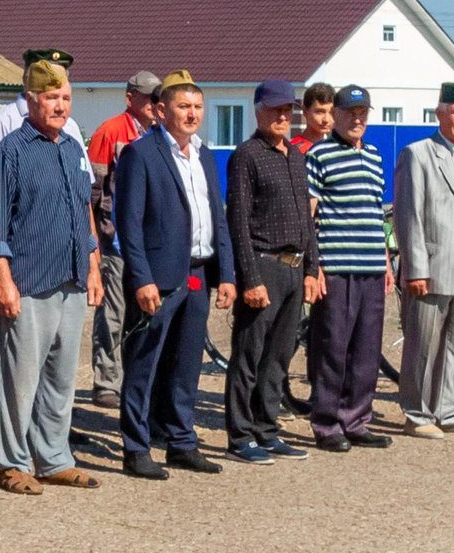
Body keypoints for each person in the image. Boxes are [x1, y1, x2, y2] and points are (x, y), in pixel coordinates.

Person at [0, 57, 103, 492]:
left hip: (70, 278)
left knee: (61, 377)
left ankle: (54, 458)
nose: (60, 106)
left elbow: (80, 214)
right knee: (18, 378)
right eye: (51, 97)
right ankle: (13, 462)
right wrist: (4, 280)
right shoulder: (10, 152)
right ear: (30, 100)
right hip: (28, 281)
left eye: (66, 98)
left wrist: (92, 266)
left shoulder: (71, 148)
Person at [111, 72, 236, 479]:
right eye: (184, 106)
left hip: (198, 275)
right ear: (162, 110)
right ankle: (135, 446)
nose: (192, 114)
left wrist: (228, 273)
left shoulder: (203, 155)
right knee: (145, 363)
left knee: (186, 365)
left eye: (198, 107)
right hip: (158, 278)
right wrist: (141, 278)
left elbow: (216, 217)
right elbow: (128, 224)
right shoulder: (140, 154)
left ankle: (182, 442)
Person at [221, 79, 316, 465]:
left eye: (287, 110)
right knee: (249, 356)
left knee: (278, 357)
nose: (283, 116)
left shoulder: (295, 156)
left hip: (295, 268)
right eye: (276, 110)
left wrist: (312, 268)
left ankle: (267, 428)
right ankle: (241, 436)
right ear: (258, 110)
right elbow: (238, 222)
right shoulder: (247, 156)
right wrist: (250, 278)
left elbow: (308, 221)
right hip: (263, 264)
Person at [393, 83, 454, 438]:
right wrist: (415, 268)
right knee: (423, 342)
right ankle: (417, 415)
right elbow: (408, 215)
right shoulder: (417, 154)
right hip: (431, 266)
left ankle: (450, 411)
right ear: (439, 114)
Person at [305, 85, 393, 453]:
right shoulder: (319, 155)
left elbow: (377, 213)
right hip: (336, 266)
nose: (357, 120)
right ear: (335, 116)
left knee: (367, 349)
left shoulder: (373, 155)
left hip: (372, 264)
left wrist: (387, 261)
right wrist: (315, 266)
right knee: (333, 348)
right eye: (350, 113)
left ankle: (357, 420)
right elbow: (309, 216)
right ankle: (327, 425)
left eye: (362, 114)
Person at [85, 69, 165, 411]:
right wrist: (100, 240)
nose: (152, 104)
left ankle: (139, 378)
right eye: (147, 98)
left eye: (156, 98)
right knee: (113, 314)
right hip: (115, 242)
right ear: (130, 98)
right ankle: (106, 380)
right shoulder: (110, 132)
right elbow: (93, 193)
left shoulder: (160, 134)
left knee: (146, 312)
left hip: (150, 244)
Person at [0, 48, 84, 181]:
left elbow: (84, 183)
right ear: (27, 78)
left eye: (61, 77)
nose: (55, 82)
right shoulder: (0, 122)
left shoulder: (70, 126)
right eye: (48, 76)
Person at [294, 82, 336, 153]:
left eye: (332, 112)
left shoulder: (335, 147)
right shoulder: (295, 149)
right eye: (320, 112)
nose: (326, 119)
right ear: (305, 111)